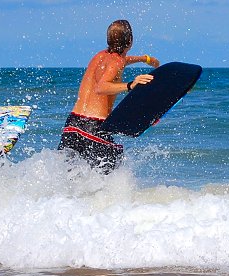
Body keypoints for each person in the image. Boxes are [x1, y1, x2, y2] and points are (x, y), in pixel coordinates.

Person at [58, 20, 160, 173]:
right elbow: (101, 87)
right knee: (112, 173)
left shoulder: (99, 56)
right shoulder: (116, 62)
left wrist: (145, 59)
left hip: (73, 125)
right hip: (93, 127)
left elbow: (121, 61)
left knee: (69, 175)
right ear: (130, 40)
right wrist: (130, 85)